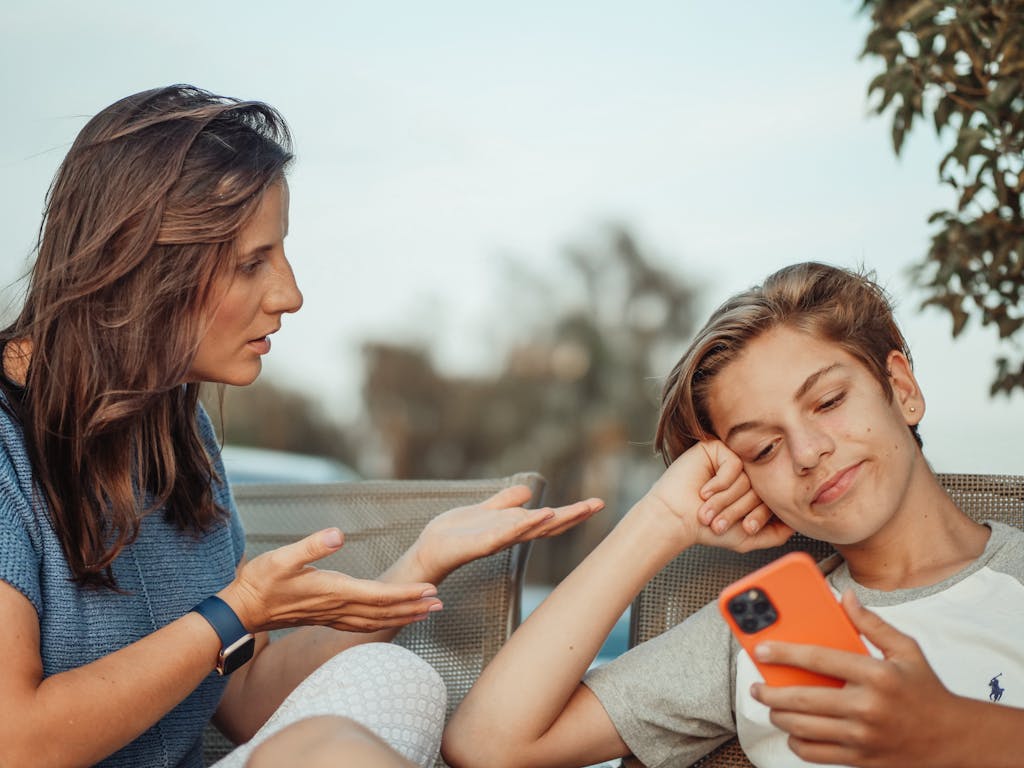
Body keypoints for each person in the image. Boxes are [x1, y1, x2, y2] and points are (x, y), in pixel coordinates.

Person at [0, 84, 604, 768]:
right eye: (253, 262)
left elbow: (246, 698)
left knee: (396, 680)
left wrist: (418, 562)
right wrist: (236, 610)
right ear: (142, 265)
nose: (290, 294)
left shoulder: (180, 436)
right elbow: (15, 743)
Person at [443, 261, 1024, 768]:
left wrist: (955, 733)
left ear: (900, 388)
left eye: (828, 401)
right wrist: (661, 519)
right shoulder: (757, 632)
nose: (807, 452)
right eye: (762, 450)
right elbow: (488, 745)